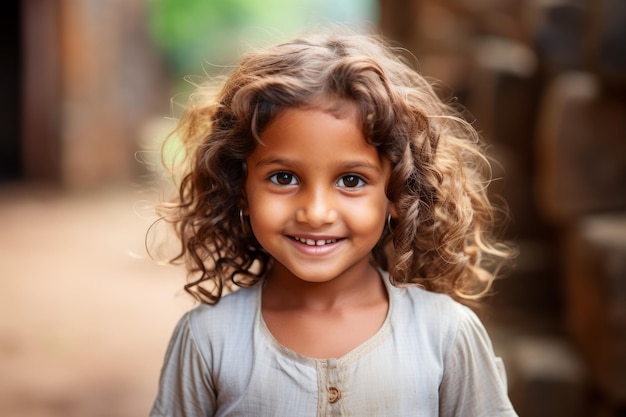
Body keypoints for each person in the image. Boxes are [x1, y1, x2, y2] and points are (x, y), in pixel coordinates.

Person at [149, 27, 518, 417]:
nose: (317, 212)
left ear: (396, 192)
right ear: (241, 188)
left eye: (351, 180)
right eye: (284, 177)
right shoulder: (209, 339)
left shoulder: (445, 335)